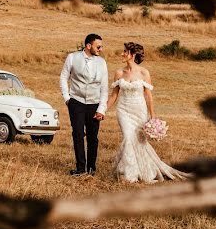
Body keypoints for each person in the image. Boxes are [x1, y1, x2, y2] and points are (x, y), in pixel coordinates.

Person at [107, 42, 191, 183]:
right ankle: (128, 173)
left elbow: (148, 96)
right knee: (128, 137)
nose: (122, 54)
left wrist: (153, 117)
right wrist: (102, 111)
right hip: (123, 110)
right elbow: (114, 96)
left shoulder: (144, 73)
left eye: (125, 52)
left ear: (132, 55)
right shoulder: (119, 73)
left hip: (139, 111)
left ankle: (146, 171)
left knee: (139, 142)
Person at [60, 33, 108, 176]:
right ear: (88, 46)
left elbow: (104, 88)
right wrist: (67, 98)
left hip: (94, 104)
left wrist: (102, 109)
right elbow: (63, 77)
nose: (100, 49)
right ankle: (80, 168)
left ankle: (91, 168)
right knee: (78, 134)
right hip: (76, 102)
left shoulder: (102, 63)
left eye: (101, 46)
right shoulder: (72, 58)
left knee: (93, 137)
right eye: (98, 46)